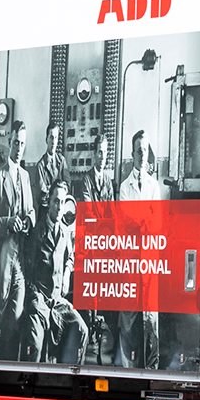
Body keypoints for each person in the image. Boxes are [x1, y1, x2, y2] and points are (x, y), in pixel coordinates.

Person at [22, 179, 89, 364]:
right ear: (49, 202)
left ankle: (72, 376)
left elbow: (70, 257)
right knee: (36, 346)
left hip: (58, 301)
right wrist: (35, 298)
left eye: (62, 201)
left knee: (82, 330)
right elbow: (27, 269)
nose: (59, 207)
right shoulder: (37, 232)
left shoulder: (65, 233)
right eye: (56, 201)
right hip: (40, 300)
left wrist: (67, 272)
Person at [116, 130, 161, 369]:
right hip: (131, 258)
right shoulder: (125, 187)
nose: (142, 155)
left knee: (150, 317)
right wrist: (145, 219)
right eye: (138, 151)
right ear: (132, 154)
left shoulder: (154, 186)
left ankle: (151, 368)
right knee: (129, 315)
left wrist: (141, 220)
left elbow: (157, 221)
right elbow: (127, 221)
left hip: (149, 258)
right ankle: (129, 368)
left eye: (145, 150)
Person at [0, 119, 35, 360]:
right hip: (2, 259)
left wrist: (29, 220)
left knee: (16, 316)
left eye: (22, 144)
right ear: (9, 142)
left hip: (20, 259)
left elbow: (32, 211)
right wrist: (8, 222)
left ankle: (6, 365)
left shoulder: (26, 177)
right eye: (16, 143)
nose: (19, 148)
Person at [76, 133, 116, 364]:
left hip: (105, 244)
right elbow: (90, 214)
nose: (102, 157)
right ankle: (91, 333)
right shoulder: (85, 181)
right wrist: (104, 226)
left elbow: (112, 213)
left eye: (105, 153)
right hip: (91, 244)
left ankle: (103, 335)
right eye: (99, 152)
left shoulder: (108, 182)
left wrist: (106, 228)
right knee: (91, 290)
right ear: (93, 154)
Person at [32, 121, 66, 222]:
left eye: (56, 137)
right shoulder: (40, 165)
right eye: (51, 137)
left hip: (59, 213)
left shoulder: (62, 161)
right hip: (45, 215)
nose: (53, 141)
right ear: (46, 139)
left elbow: (67, 185)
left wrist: (51, 190)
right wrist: (58, 192)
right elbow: (41, 196)